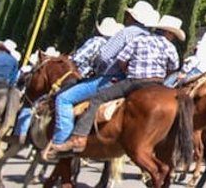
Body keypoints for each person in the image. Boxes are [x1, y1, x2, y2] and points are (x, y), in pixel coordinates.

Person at [49, 13, 181, 157]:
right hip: (157, 84)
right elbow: (174, 66)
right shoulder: (169, 46)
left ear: (132, 18)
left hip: (130, 81)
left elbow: (115, 58)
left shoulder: (136, 38)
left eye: (128, 15)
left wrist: (124, 71)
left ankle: (74, 138)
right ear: (169, 33)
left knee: (86, 99)